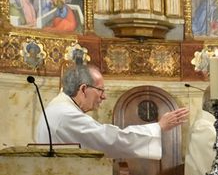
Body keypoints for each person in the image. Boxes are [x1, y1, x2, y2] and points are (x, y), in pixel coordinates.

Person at [36, 63, 188, 159]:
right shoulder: (65, 115)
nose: (104, 96)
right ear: (83, 89)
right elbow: (111, 140)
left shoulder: (59, 108)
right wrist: (158, 127)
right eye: (100, 90)